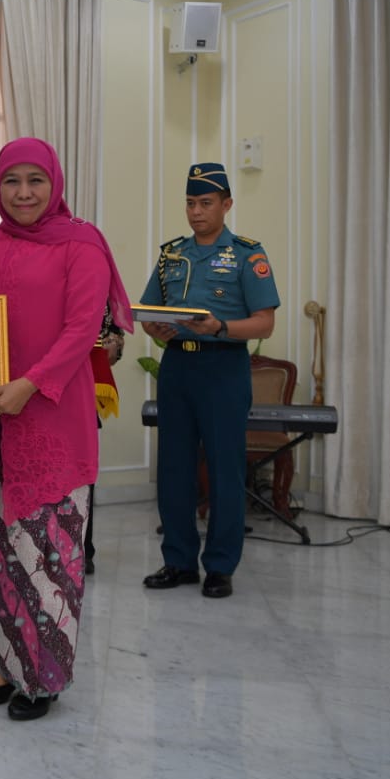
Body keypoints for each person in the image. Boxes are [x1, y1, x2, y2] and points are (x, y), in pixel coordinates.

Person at [0, 137, 132, 721]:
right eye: (12, 181)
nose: (24, 192)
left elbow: (84, 329)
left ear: (54, 183)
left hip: (52, 421)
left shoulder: (81, 243)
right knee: (1, 557)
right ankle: (9, 667)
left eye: (35, 180)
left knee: (50, 563)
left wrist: (28, 386)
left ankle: (45, 677)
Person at [138, 163, 279, 599]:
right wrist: (155, 329)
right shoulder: (171, 256)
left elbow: (264, 324)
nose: (196, 212)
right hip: (179, 367)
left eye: (205, 203)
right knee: (175, 469)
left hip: (223, 369)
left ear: (226, 204)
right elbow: (148, 312)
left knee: (224, 469)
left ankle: (220, 565)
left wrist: (219, 328)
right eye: (190, 203)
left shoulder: (247, 255)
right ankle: (178, 561)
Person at [83, 313, 125, 575]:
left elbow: (114, 346)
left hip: (80, 386)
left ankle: (82, 550)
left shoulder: (94, 278)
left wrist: (109, 345)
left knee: (81, 477)